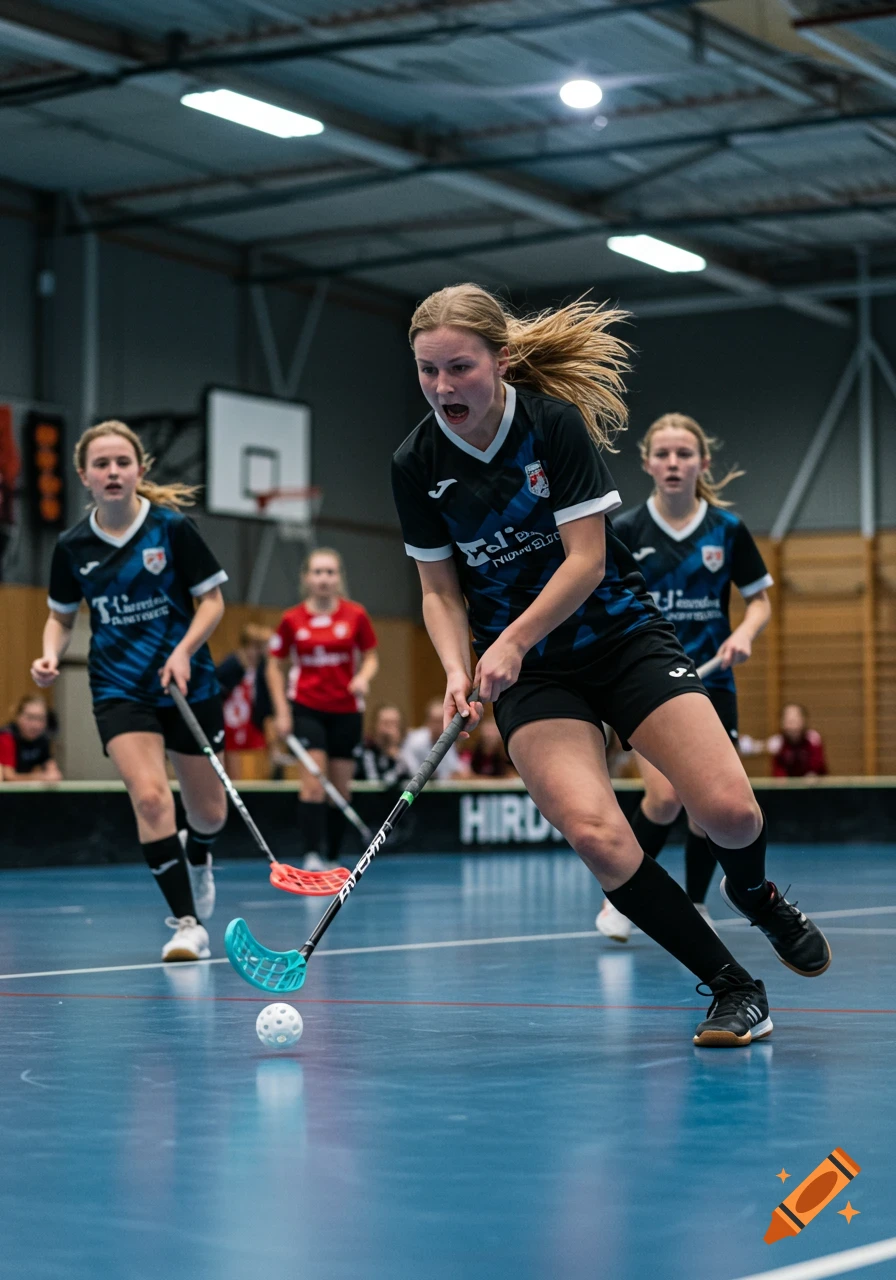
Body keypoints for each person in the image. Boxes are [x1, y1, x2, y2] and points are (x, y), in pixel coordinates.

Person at [392, 282, 830, 1048]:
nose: (441, 388)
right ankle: (734, 988)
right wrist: (457, 669)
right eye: (427, 371)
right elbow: (438, 590)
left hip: (621, 638)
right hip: (535, 676)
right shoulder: (415, 462)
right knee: (598, 835)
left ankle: (754, 892)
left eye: (458, 368)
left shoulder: (552, 427)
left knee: (729, 812)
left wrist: (511, 640)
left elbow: (586, 562)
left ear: (498, 361)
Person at [31, 420, 227, 962]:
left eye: (122, 462)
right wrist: (50, 652)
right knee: (148, 797)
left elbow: (211, 603)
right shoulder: (73, 547)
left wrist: (183, 650)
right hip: (119, 687)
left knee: (209, 815)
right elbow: (60, 617)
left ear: (140, 470)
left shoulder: (171, 529)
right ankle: (187, 924)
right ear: (84, 477)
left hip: (189, 681)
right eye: (101, 465)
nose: (113, 472)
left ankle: (201, 853)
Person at [596, 412, 773, 942]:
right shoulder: (625, 531)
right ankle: (619, 900)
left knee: (707, 813)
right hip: (651, 685)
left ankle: (696, 902)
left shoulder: (727, 530)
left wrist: (745, 633)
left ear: (702, 463)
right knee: (668, 797)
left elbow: (759, 601)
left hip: (713, 685)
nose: (674, 464)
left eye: (685, 454)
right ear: (648, 462)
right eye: (664, 454)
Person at [267, 548, 378, 870]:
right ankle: (312, 855)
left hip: (346, 710)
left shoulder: (355, 616)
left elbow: (371, 656)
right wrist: (282, 712)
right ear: (306, 578)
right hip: (306, 708)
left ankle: (332, 856)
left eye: (330, 572)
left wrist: (363, 678)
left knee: (340, 789)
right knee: (315, 782)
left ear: (339, 577)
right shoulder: (291, 619)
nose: (324, 579)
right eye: (317, 572)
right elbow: (274, 666)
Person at [216, 623, 273, 779]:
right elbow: (217, 691)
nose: (255, 653)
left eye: (259, 649)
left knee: (254, 762)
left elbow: (265, 701)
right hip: (230, 723)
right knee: (232, 762)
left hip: (251, 723)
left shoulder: (263, 668)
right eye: (253, 647)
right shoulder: (232, 664)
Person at [400, 697, 470, 781]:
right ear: (427, 721)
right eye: (436, 721)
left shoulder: (447, 740)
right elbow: (409, 769)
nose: (439, 725)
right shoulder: (415, 741)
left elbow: (456, 769)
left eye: (442, 721)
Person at [0, 695, 62, 782]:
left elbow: (53, 772)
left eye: (41, 719)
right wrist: (40, 777)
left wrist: (52, 774)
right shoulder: (6, 737)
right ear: (18, 716)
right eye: (30, 717)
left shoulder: (43, 739)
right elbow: (8, 777)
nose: (35, 725)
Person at [354, 704, 411, 787]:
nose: (389, 730)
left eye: (394, 723)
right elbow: (375, 783)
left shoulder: (407, 748)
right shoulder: (364, 751)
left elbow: (415, 777)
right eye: (385, 723)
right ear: (374, 726)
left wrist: (397, 756)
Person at [769, 703, 829, 778]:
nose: (792, 725)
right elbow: (778, 771)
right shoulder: (778, 743)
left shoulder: (813, 739)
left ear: (803, 720)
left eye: (795, 720)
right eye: (788, 720)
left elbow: (817, 766)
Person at [467, 710, 516, 778]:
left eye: (493, 731)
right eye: (488, 731)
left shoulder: (507, 754)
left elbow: (512, 776)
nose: (490, 735)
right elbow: (466, 775)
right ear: (481, 731)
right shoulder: (473, 753)